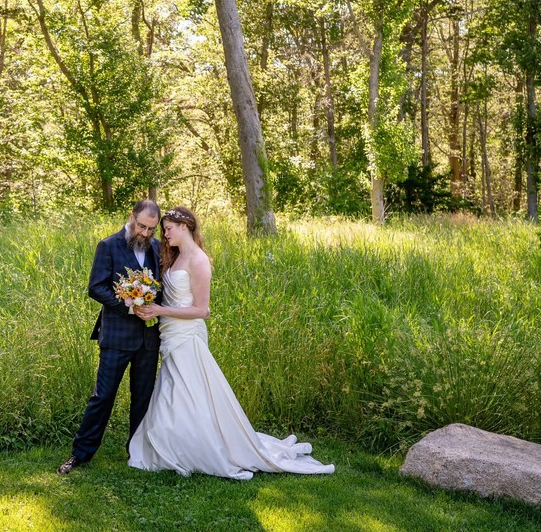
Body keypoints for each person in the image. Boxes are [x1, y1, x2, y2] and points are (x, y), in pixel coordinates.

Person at [127, 206, 334, 479]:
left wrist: (159, 311)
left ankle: (200, 447)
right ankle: (177, 443)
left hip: (187, 337)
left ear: (185, 227)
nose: (164, 235)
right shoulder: (174, 257)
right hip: (169, 335)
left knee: (190, 392)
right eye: (163, 229)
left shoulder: (199, 260)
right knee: (174, 393)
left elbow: (203, 310)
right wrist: (141, 301)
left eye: (168, 229)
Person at [57, 200, 163, 475]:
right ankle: (80, 454)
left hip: (148, 338)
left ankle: (137, 452)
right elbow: (96, 288)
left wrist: (153, 304)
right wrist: (128, 303)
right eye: (142, 226)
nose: (145, 233)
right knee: (103, 396)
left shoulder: (157, 248)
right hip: (116, 335)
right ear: (132, 217)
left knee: (143, 397)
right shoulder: (108, 245)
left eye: (152, 229)